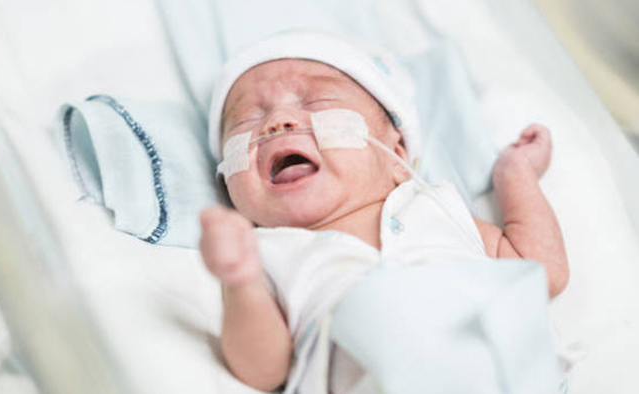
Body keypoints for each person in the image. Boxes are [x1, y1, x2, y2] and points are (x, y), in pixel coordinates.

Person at [198, 32, 569, 393]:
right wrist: (240, 282)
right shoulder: (265, 253)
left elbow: (541, 273)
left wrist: (517, 175)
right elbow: (264, 373)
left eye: (315, 102)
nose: (277, 123)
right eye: (246, 120)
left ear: (398, 155)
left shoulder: (435, 206)